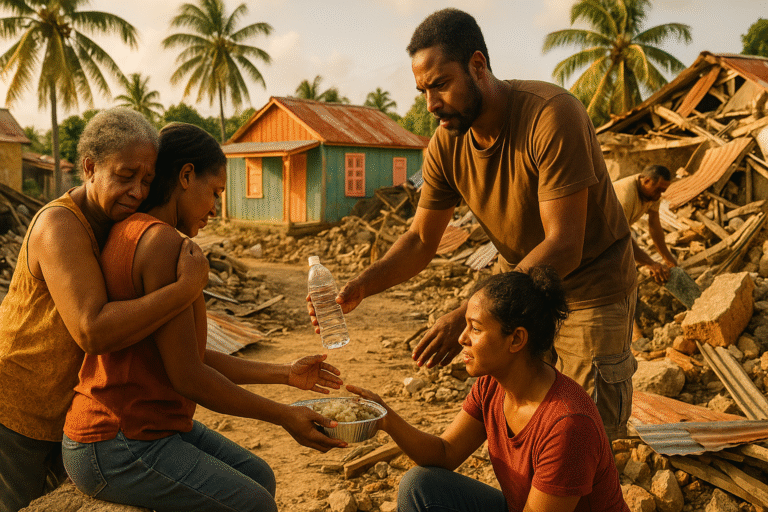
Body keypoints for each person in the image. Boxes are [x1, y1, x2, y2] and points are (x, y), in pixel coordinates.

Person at [311, 8, 637, 440]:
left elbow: (564, 245)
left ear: (478, 66)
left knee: (584, 433)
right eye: (423, 91)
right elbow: (421, 239)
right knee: (521, 422)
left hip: (589, 288)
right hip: (517, 287)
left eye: (441, 85)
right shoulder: (446, 143)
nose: (430, 105)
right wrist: (361, 287)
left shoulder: (551, 115)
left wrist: (467, 312)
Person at [62, 123, 346, 512]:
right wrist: (284, 415)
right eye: (214, 193)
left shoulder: (142, 232)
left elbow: (188, 357)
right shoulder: (163, 242)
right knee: (255, 504)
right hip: (116, 440)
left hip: (149, 428)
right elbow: (189, 377)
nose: (215, 208)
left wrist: (285, 373)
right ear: (185, 175)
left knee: (260, 476)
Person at [0, 109, 210, 512]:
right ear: (90, 167)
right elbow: (91, 330)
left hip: (63, 411)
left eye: (146, 180)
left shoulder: (113, 226)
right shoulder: (60, 225)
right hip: (18, 408)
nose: (136, 190)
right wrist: (186, 288)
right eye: (125, 175)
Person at [347, 267, 629, 512]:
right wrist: (387, 418)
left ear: (516, 339)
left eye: (476, 329)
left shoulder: (568, 425)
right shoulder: (491, 385)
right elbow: (444, 453)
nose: (461, 338)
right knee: (419, 486)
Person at [612, 164, 677, 285]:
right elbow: (621, 236)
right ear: (647, 181)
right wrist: (650, 263)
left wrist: (667, 258)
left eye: (663, 191)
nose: (659, 195)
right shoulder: (625, 197)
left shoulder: (652, 195)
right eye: (658, 190)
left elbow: (654, 225)